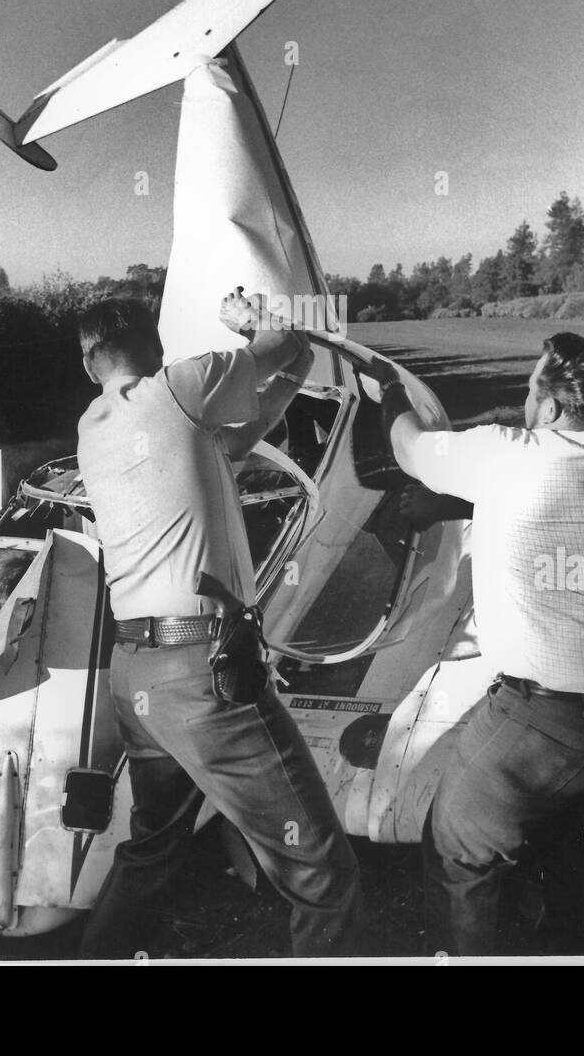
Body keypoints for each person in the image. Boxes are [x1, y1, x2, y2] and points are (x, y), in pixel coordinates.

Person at [75, 291, 361, 959]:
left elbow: (237, 435)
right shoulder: (174, 389)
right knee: (322, 870)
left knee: (152, 849)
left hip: (138, 675)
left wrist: (293, 364)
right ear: (155, 344)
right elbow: (275, 341)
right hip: (199, 676)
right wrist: (260, 323)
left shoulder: (98, 428)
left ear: (90, 364)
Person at [368, 331, 584, 956]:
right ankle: (576, 947)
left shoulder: (509, 450)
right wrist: (448, 506)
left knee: (457, 854)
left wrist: (389, 389)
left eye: (530, 391)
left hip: (548, 719)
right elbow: (547, 507)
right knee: (562, 838)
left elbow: (407, 445)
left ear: (553, 409)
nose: (523, 403)